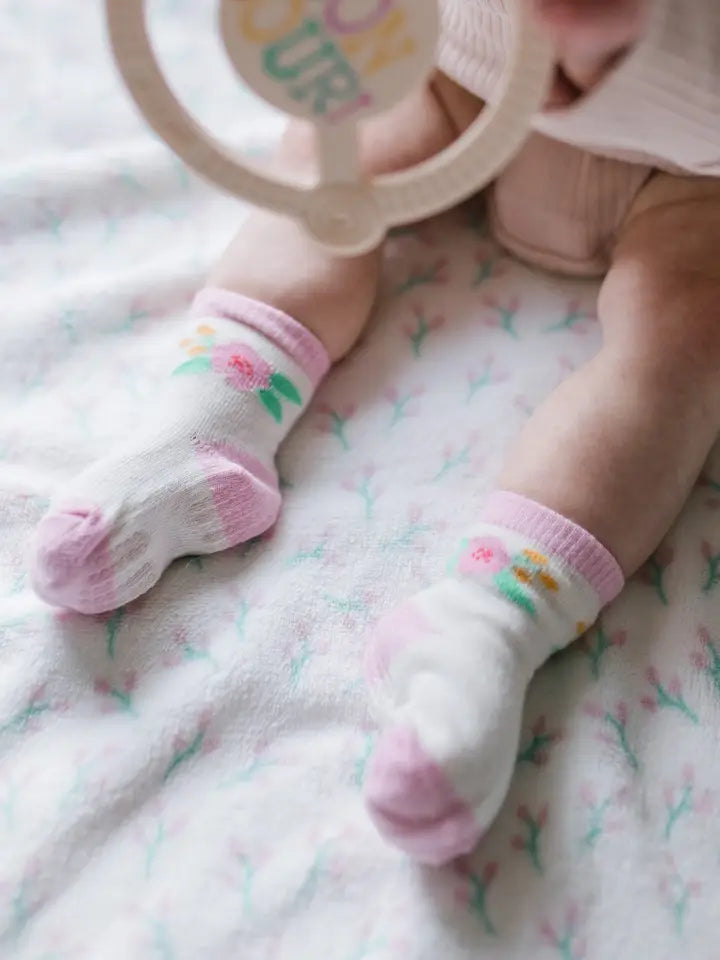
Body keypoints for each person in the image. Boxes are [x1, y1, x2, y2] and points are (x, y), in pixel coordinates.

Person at [30, 0, 720, 864]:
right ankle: (208, 421)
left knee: (687, 344)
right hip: (461, 71)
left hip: (697, 166)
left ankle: (493, 616)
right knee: (330, 172)